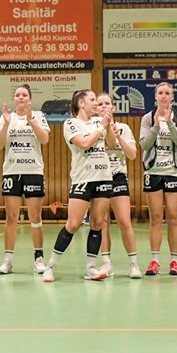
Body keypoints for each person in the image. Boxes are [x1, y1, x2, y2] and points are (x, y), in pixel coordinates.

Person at [42, 89, 115, 283]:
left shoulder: (100, 121)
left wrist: (108, 125)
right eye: (92, 99)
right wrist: (101, 127)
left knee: (97, 223)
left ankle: (91, 268)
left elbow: (111, 144)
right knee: (73, 224)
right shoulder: (71, 123)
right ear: (81, 103)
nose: (96, 103)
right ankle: (51, 266)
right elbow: (83, 143)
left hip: (104, 177)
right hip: (83, 179)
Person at [0, 84, 50, 275]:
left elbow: (45, 139)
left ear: (30, 99)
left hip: (33, 171)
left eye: (24, 95)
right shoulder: (6, 117)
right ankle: (8, 260)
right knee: (11, 217)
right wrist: (6, 124)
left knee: (35, 217)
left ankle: (39, 259)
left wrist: (30, 120)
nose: (20, 97)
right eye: (17, 94)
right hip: (12, 171)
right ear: (14, 99)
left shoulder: (38, 116)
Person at [139, 82, 177, 276]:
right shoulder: (148, 118)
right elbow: (144, 144)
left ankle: (174, 261)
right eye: (160, 93)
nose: (164, 96)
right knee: (156, 218)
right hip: (153, 172)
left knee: (173, 217)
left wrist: (170, 123)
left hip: (173, 172)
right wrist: (157, 125)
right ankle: (155, 260)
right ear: (155, 96)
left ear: (172, 97)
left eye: (167, 93)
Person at [97, 93, 141, 279]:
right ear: (95, 108)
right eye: (100, 104)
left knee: (124, 221)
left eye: (107, 103)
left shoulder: (124, 128)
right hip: (98, 177)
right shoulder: (93, 128)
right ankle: (106, 262)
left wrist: (119, 137)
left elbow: (132, 155)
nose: (104, 106)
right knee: (102, 222)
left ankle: (134, 264)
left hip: (118, 177)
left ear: (113, 107)